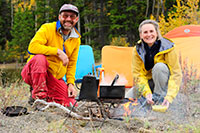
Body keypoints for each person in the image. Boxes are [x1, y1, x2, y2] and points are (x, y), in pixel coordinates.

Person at [21, 4, 81, 107]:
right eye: (65, 15)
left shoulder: (76, 38)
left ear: (76, 19)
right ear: (59, 17)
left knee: (71, 104)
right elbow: (32, 47)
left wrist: (70, 83)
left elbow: (71, 63)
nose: (68, 19)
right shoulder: (47, 28)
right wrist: (57, 52)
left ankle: (45, 95)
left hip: (54, 77)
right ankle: (38, 98)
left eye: (72, 16)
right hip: (34, 72)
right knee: (40, 59)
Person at [126, 19, 182, 109]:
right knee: (127, 98)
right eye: (145, 32)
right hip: (149, 83)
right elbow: (138, 75)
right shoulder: (137, 49)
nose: (149, 35)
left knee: (159, 67)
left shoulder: (169, 47)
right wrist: (147, 92)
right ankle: (149, 99)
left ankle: (159, 99)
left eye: (151, 31)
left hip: (165, 84)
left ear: (157, 32)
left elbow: (176, 74)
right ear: (141, 35)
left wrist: (169, 96)